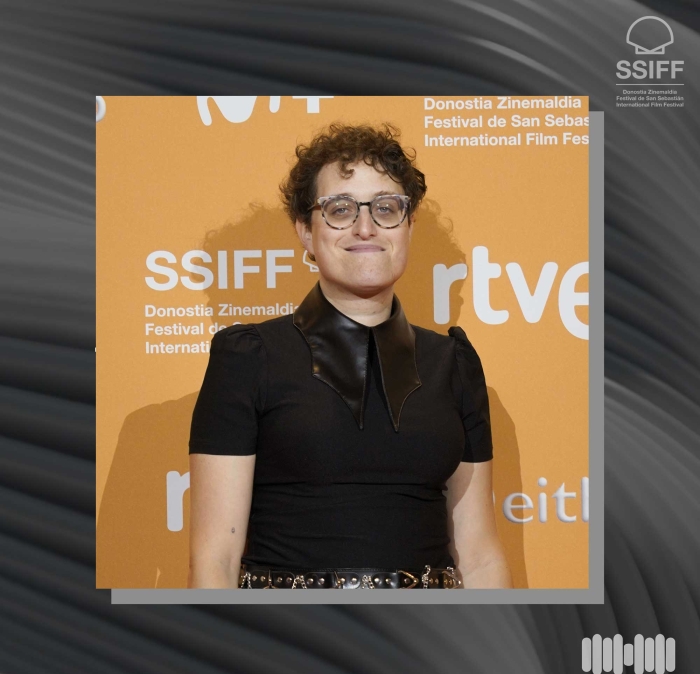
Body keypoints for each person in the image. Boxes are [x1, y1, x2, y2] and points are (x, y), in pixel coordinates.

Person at [188, 123, 512, 590]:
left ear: (408, 226)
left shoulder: (453, 363)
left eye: (386, 208)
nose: (365, 227)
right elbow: (215, 559)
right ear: (305, 231)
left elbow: (480, 558)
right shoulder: (249, 357)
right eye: (340, 209)